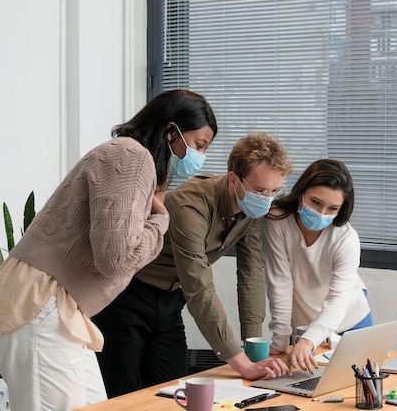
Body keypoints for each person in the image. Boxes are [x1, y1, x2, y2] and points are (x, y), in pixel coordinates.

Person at [0, 89, 217, 411]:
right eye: (198, 145)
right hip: (40, 302)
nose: (199, 157)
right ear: (171, 131)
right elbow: (116, 259)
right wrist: (162, 221)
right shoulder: (131, 157)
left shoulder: (127, 156)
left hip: (55, 306)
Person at [93, 132, 293, 397]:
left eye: (274, 191)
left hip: (170, 300)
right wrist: (240, 362)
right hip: (128, 297)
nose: (267, 199)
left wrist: (253, 348)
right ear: (234, 179)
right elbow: (198, 286)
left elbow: (251, 272)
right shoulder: (191, 205)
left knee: (175, 392)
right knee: (126, 394)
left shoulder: (253, 209)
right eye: (260, 191)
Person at [262, 158, 373, 375]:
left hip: (350, 319)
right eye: (315, 202)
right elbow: (280, 283)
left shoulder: (346, 238)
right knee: (303, 388)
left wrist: (308, 341)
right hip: (304, 327)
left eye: (333, 208)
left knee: (355, 392)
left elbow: (337, 300)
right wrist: (280, 341)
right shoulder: (277, 220)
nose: (322, 213)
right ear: (301, 191)